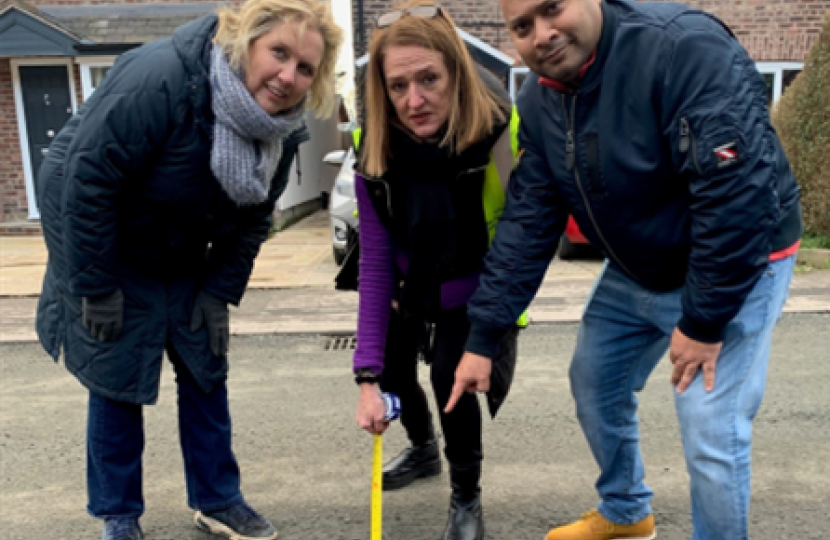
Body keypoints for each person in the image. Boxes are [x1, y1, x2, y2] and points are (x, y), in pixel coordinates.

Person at [446, 0, 803, 539]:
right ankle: (627, 510)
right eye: (522, 26)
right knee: (594, 379)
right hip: (641, 261)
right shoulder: (541, 101)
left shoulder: (682, 49)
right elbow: (528, 222)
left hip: (738, 258)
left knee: (710, 427)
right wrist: (484, 336)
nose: (541, 35)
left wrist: (703, 324)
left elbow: (738, 196)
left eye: (552, 9)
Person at [34, 0, 342, 538]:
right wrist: (95, 285)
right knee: (117, 379)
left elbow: (251, 221)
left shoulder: (281, 131)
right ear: (247, 40)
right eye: (279, 53)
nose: (288, 76)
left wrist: (218, 292)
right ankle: (119, 515)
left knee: (206, 369)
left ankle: (217, 499)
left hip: (183, 255)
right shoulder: (162, 78)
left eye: (305, 68)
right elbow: (83, 181)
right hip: (107, 248)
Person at [350, 2, 523, 538]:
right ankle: (423, 450)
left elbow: (520, 244)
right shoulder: (372, 148)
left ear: (456, 73)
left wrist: (489, 334)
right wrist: (366, 375)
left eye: (429, 79)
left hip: (478, 285)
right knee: (396, 372)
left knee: (450, 375)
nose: (414, 100)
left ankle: (465, 496)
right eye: (398, 86)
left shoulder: (501, 136)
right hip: (412, 283)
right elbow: (376, 261)